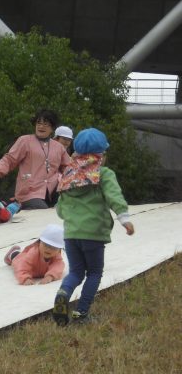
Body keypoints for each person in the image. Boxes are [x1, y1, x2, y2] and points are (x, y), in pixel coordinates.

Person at [52, 128, 135, 326]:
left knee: (75, 273)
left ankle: (63, 293)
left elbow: (60, 209)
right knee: (95, 273)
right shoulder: (104, 174)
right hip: (93, 234)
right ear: (101, 155)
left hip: (71, 234)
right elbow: (114, 197)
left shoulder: (69, 174)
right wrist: (124, 219)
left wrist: (72, 218)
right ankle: (81, 314)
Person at [0, 110, 71, 210]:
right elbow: (10, 159)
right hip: (30, 192)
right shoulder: (25, 141)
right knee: (41, 209)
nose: (41, 126)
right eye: (38, 123)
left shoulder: (58, 147)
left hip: (52, 192)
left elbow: (68, 168)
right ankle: (15, 204)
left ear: (52, 128)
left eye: (46, 124)